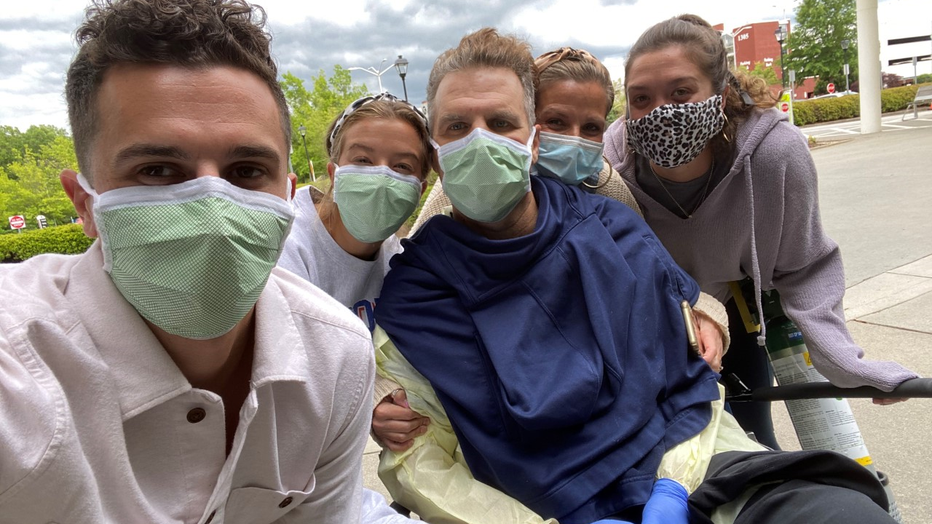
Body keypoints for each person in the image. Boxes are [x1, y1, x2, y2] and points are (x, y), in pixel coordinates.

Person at [371, 27, 895, 524]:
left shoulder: (611, 224)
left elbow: (690, 375)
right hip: (535, 501)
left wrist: (673, 484)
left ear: (531, 143)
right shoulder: (415, 296)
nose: (480, 143)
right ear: (436, 157)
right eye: (457, 127)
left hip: (691, 459)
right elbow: (418, 458)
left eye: (502, 123)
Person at [0, 1, 374, 522]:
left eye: (246, 170)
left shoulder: (338, 359)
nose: (212, 205)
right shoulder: (14, 373)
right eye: (157, 169)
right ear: (84, 202)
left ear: (288, 199)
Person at [602, 14, 918, 449]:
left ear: (722, 94)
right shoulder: (611, 170)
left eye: (680, 91)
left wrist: (847, 365)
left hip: (735, 313)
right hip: (648, 324)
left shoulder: (774, 156)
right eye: (641, 98)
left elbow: (804, 266)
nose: (662, 112)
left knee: (752, 437)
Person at [409, 46, 731, 371]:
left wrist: (705, 313)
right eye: (556, 122)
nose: (573, 140)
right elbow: (415, 269)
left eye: (591, 128)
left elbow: (654, 268)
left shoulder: (603, 188)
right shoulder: (469, 181)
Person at [277, 92, 432, 522]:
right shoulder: (287, 250)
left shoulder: (397, 259)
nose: (381, 176)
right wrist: (366, 408)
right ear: (333, 172)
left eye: (402, 167)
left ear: (420, 190)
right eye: (363, 161)